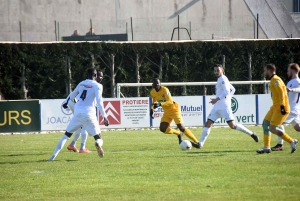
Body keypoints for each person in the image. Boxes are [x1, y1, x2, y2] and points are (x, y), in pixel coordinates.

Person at [48, 68, 109, 161]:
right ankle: (97, 143)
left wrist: (76, 102)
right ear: (95, 76)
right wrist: (104, 116)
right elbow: (99, 102)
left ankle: (52, 157)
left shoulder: (81, 83)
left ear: (87, 75)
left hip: (78, 112)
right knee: (98, 137)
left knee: (66, 135)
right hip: (89, 113)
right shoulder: (98, 86)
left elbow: (72, 96)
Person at [198, 64, 259, 148]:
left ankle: (252, 133)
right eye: (215, 70)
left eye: (218, 70)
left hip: (224, 108)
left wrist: (218, 99)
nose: (216, 72)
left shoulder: (223, 79)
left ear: (222, 70)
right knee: (208, 123)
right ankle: (200, 144)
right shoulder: (221, 79)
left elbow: (227, 91)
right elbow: (233, 89)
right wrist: (228, 99)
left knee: (233, 126)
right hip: (216, 107)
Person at [257, 64, 298, 154]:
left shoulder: (275, 80)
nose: (264, 72)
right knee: (265, 124)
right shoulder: (273, 80)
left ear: (269, 70)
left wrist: (283, 106)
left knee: (272, 128)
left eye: (265, 70)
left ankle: (291, 141)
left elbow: (281, 93)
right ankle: (266, 147)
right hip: (275, 107)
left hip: (280, 107)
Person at [150, 78, 200, 147]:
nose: (157, 85)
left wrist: (160, 104)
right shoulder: (152, 92)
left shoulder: (165, 90)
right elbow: (154, 101)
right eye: (156, 84)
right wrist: (151, 109)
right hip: (167, 112)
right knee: (163, 129)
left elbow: (170, 102)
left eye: (158, 84)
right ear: (153, 85)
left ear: (160, 84)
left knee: (181, 127)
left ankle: (197, 142)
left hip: (174, 109)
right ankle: (178, 133)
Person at [63, 70, 104, 153]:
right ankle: (82, 148)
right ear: (95, 76)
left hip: (76, 103)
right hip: (78, 104)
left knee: (80, 126)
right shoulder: (94, 85)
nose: (101, 78)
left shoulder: (88, 84)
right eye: (100, 76)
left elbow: (74, 92)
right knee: (84, 125)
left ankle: (73, 145)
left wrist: (66, 101)